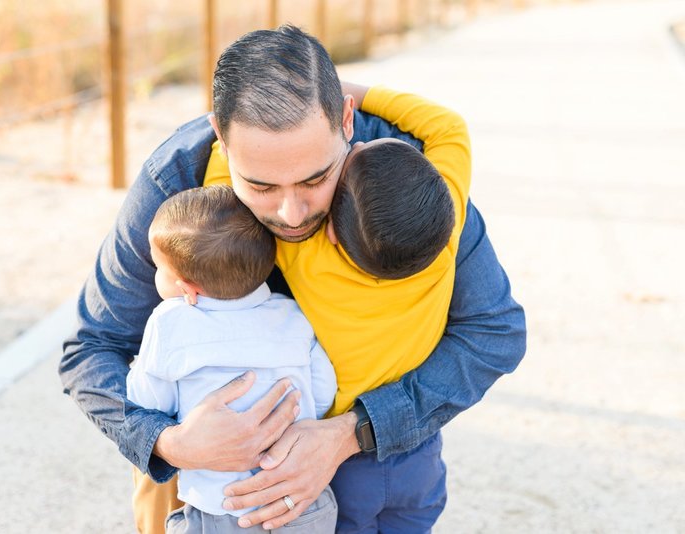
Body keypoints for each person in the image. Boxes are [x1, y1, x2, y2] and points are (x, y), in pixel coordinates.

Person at [60, 24, 526, 534]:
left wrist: (352, 433)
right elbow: (92, 345)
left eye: (315, 179)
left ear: (346, 120)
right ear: (221, 137)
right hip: (196, 464)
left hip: (366, 451)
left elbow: (492, 331)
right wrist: (170, 444)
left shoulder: (400, 178)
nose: (291, 213)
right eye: (259, 185)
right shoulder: (178, 180)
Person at [204, 83, 468, 531]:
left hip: (346, 464)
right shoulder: (447, 227)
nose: (358, 143)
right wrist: (360, 96)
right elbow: (448, 126)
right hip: (417, 456)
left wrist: (228, 138)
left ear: (330, 231)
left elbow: (221, 196)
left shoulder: (305, 252)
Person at [126, 185, 338, 533]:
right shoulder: (294, 315)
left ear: (186, 288)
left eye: (157, 268)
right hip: (300, 500)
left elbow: (147, 402)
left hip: (224, 509)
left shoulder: (170, 321)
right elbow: (323, 390)